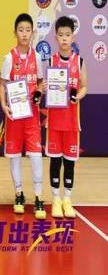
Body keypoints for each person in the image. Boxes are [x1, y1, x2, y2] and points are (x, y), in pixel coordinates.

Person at [0, 13, 46, 220]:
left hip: (32, 116)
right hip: (14, 116)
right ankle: (18, 193)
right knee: (15, 155)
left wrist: (39, 92)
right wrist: (3, 105)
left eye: (28, 30)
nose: (25, 34)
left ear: (32, 33)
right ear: (15, 33)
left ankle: (38, 196)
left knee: (35, 155)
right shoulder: (9, 58)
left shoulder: (37, 57)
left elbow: (40, 83)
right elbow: (2, 85)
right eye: (21, 30)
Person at [46, 16, 87, 218]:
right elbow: (43, 86)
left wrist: (78, 95)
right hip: (54, 122)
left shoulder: (79, 62)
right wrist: (45, 87)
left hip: (71, 122)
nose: (64, 38)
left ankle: (67, 199)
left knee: (69, 162)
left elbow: (84, 86)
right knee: (55, 161)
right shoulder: (51, 61)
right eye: (61, 35)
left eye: (67, 35)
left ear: (73, 37)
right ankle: (56, 199)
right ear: (56, 37)